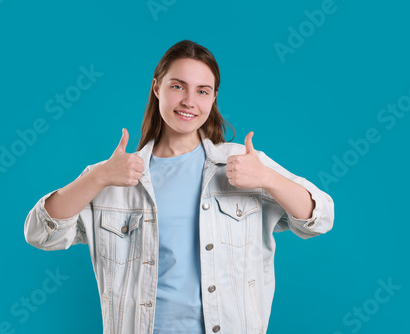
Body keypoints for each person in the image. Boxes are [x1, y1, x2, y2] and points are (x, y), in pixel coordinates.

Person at [24, 39, 335, 334]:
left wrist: (268, 178)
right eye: (178, 86)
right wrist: (98, 178)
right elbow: (41, 233)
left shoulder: (242, 163)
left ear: (213, 98)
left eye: (202, 91)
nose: (189, 101)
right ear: (157, 87)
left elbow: (320, 219)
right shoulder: (114, 175)